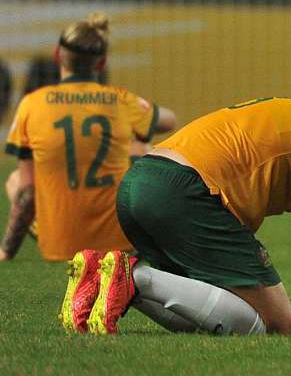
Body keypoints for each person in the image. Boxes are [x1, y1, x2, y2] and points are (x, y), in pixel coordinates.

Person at [61, 71, 291, 338]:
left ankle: (112, 278)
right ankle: (136, 278)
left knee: (213, 312)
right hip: (187, 193)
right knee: (277, 324)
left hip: (141, 184)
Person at [2, 14, 176, 272]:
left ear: (57, 56)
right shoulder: (120, 100)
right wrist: (137, 115)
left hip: (58, 244)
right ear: (102, 62)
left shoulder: (32, 103)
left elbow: (27, 194)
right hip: (118, 242)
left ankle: (61, 236)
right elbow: (169, 121)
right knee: (145, 151)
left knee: (16, 179)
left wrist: (6, 250)